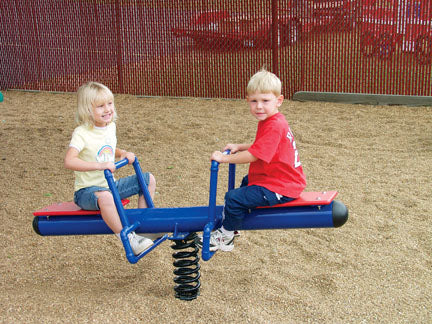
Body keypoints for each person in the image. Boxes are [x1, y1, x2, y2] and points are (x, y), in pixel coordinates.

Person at [197, 69, 306, 252]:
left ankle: (226, 236)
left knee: (233, 197)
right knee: (246, 184)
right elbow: (264, 145)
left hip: (282, 186)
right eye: (254, 101)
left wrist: (225, 158)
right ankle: (235, 223)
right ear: (247, 100)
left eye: (265, 101)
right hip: (278, 179)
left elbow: (255, 155)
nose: (259, 107)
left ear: (279, 101)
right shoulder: (275, 121)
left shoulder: (274, 124)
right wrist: (241, 146)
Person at [64, 81, 157, 255]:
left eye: (110, 103)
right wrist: (100, 166)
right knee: (106, 197)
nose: (107, 109)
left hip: (110, 186)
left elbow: (105, 149)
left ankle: (144, 227)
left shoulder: (110, 127)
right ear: (87, 110)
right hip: (87, 192)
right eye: (100, 106)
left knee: (148, 179)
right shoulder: (81, 133)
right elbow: (69, 161)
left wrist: (122, 152)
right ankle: (128, 238)